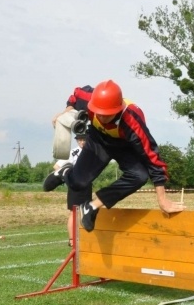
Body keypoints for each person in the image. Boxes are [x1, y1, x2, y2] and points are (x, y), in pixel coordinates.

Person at [44, 79, 185, 232]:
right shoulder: (90, 99)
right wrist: (67, 111)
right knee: (78, 184)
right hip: (98, 141)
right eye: (99, 113)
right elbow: (76, 94)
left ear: (117, 109)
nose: (102, 118)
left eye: (107, 115)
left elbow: (153, 158)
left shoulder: (132, 122)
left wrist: (162, 199)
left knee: (139, 176)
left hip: (124, 146)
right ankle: (65, 172)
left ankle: (91, 206)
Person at [54, 133, 92, 246]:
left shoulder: (91, 152)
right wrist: (68, 176)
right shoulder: (72, 152)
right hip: (75, 185)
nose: (82, 142)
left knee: (85, 212)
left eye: (84, 139)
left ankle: (83, 236)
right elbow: (57, 166)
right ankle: (71, 240)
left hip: (87, 185)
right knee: (73, 212)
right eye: (79, 140)